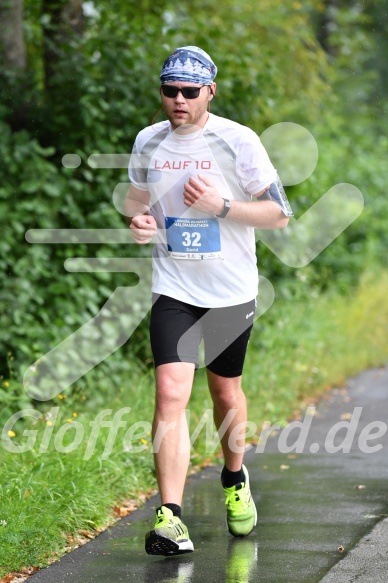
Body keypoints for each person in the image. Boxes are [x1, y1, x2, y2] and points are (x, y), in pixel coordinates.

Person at [125, 46, 293, 556]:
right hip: (175, 287)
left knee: (225, 395)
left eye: (189, 91)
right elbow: (135, 203)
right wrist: (138, 223)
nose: (178, 100)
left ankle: (235, 478)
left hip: (230, 292)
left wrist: (220, 205)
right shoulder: (148, 141)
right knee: (171, 393)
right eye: (169, 90)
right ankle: (170, 518)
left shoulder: (238, 140)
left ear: (210, 92)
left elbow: (280, 214)